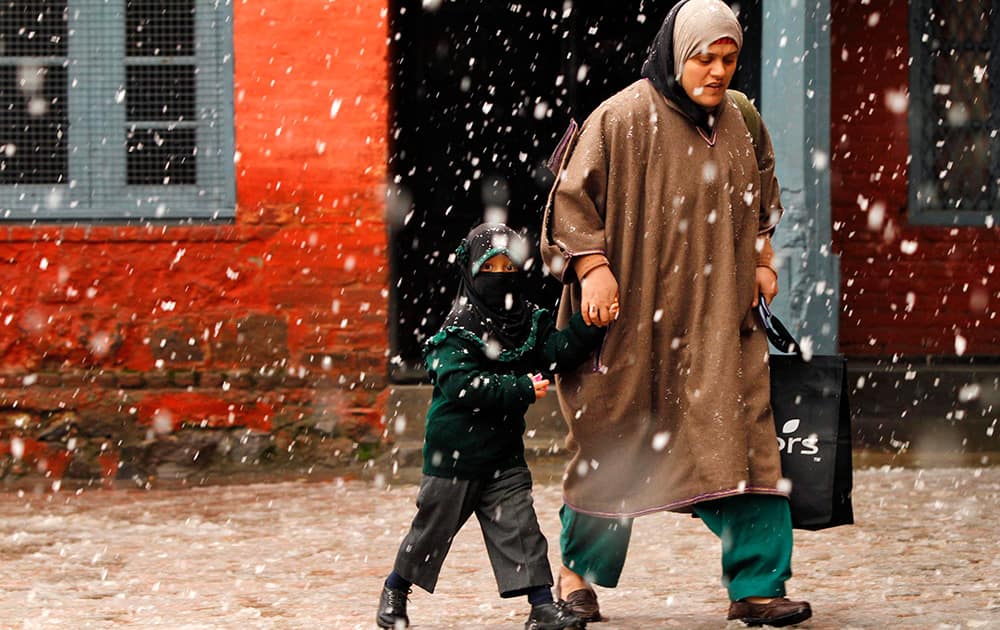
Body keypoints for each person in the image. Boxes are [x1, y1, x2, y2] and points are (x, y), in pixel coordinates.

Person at [539, 0, 812, 627]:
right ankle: (576, 579)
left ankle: (758, 586)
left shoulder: (742, 119)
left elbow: (763, 200)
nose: (718, 72)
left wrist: (764, 263)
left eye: (729, 58)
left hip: (719, 324)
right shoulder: (623, 116)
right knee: (614, 444)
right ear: (674, 55)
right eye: (704, 58)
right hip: (632, 324)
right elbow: (571, 201)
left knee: (745, 445)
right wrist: (591, 268)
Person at [377, 223, 609, 630]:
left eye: (509, 265)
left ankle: (540, 608)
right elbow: (459, 383)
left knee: (521, 529)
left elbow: (556, 353)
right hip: (454, 454)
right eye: (491, 266)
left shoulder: (526, 321)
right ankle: (396, 590)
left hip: (503, 453)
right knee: (431, 532)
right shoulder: (458, 328)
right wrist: (517, 387)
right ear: (471, 271)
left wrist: (591, 323)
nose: (501, 274)